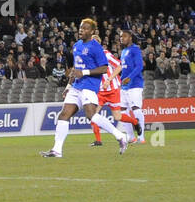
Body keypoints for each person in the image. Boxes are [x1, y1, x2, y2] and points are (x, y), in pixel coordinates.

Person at [41, 18, 130, 157]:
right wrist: (68, 85)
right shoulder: (77, 45)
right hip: (76, 86)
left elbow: (104, 68)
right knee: (63, 115)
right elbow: (76, 69)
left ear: (92, 31)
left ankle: (120, 136)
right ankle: (57, 150)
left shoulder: (96, 47)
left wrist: (85, 73)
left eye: (85, 28)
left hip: (89, 86)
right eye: (81, 27)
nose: (81, 30)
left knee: (91, 115)